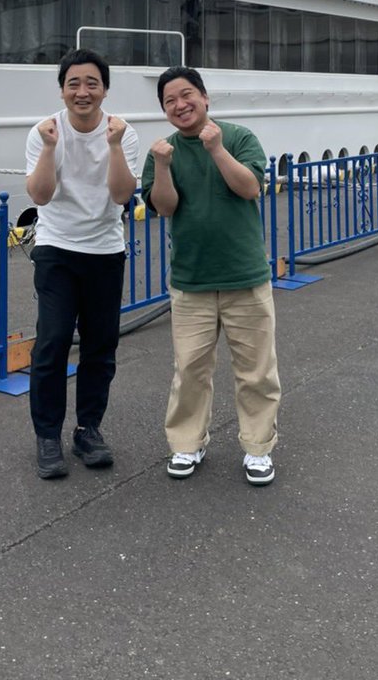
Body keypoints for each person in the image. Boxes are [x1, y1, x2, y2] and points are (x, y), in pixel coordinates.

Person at [142, 66, 281, 486]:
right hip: (191, 279)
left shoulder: (238, 137)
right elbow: (164, 207)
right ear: (164, 110)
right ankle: (187, 443)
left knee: (256, 371)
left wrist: (217, 149)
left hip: (245, 276)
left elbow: (250, 187)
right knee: (190, 369)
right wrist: (162, 166)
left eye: (187, 95)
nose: (180, 105)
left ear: (205, 97)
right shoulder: (162, 152)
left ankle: (258, 448)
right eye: (170, 101)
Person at [25, 48, 139, 479]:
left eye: (92, 83)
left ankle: (88, 430)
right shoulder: (44, 131)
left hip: (105, 251)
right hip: (56, 248)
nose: (83, 91)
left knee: (100, 346)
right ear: (62, 90)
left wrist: (114, 145)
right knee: (52, 341)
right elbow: (40, 195)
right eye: (73, 83)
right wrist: (49, 148)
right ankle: (47, 436)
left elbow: (121, 195)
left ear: (105, 90)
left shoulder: (122, 133)